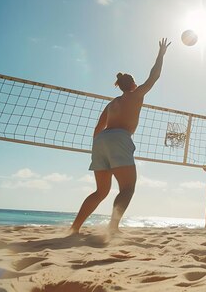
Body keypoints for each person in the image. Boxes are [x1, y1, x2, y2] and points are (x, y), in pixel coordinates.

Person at [70, 38, 171, 235]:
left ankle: (74, 228)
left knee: (101, 191)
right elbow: (154, 76)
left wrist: (98, 150)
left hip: (100, 141)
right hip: (119, 139)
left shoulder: (112, 103)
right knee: (127, 188)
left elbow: (98, 127)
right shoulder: (136, 94)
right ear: (133, 84)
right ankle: (113, 227)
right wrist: (161, 54)